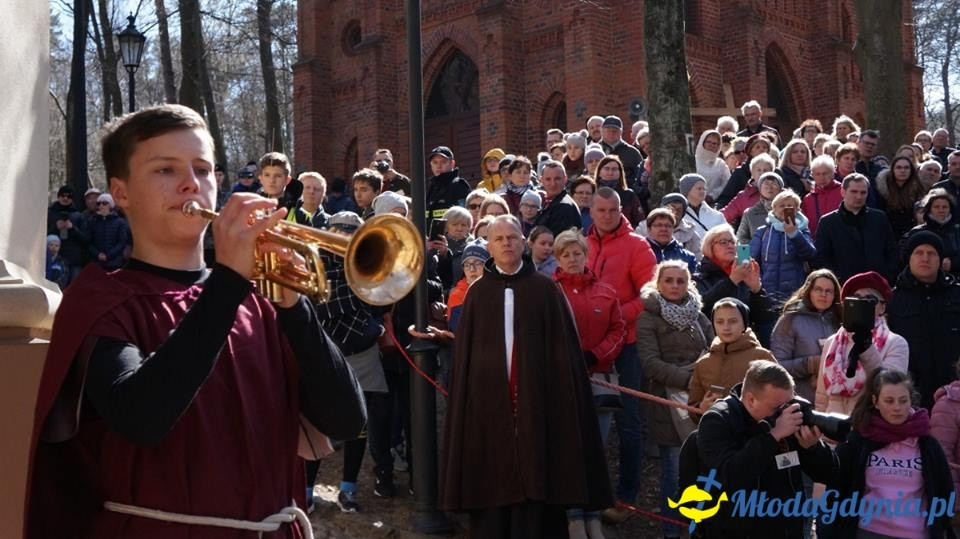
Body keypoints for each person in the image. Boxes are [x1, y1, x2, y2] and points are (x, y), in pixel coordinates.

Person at [27, 104, 365, 538]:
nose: (192, 184)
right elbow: (141, 417)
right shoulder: (99, 297)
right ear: (121, 192)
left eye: (204, 170)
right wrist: (227, 281)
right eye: (166, 170)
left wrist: (294, 308)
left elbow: (346, 420)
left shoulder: (261, 299)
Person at [439, 215, 613, 538]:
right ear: (489, 246)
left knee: (539, 495)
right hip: (490, 408)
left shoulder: (545, 291)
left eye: (513, 237)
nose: (506, 243)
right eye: (499, 238)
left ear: (524, 243)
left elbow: (566, 360)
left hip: (537, 406)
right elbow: (466, 360)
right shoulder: (477, 294)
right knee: (492, 490)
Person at [694, 360, 835, 538]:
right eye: (777, 408)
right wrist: (773, 436)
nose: (784, 412)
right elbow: (729, 476)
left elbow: (829, 474)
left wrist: (813, 449)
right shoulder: (719, 420)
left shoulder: (785, 418)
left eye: (788, 404)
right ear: (751, 399)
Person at [586, 187, 657, 523]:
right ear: (591, 210)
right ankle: (587, 494)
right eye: (600, 211)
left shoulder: (636, 245)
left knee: (628, 421)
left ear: (620, 210)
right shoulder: (581, 243)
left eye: (612, 210)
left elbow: (649, 294)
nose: (606, 216)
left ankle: (627, 497)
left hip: (626, 344)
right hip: (587, 346)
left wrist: (614, 315)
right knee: (588, 419)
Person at [819, 369, 955, 539]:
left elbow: (945, 490)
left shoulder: (927, 444)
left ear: (911, 401)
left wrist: (940, 525)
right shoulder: (858, 440)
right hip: (866, 531)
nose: (897, 408)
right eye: (889, 401)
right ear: (875, 401)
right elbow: (837, 487)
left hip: (916, 534)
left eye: (903, 401)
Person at [554, 229, 625, 539]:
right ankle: (572, 516)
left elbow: (618, 331)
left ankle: (593, 514)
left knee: (597, 449)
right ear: (557, 258)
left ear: (586, 255)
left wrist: (594, 355)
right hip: (562, 382)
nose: (572, 258)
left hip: (599, 379)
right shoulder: (549, 292)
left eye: (577, 253)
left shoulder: (606, 292)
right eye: (566, 254)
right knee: (569, 449)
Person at [636, 260, 713, 539]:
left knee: (704, 466)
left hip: (703, 399)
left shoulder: (698, 314)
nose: (675, 286)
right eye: (669, 280)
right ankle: (671, 529)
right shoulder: (648, 317)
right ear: (658, 283)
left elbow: (715, 348)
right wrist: (690, 380)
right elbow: (650, 362)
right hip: (668, 401)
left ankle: (699, 527)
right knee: (674, 468)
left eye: (681, 280)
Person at [816, 271, 909, 415]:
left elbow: (890, 386)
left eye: (870, 300)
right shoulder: (832, 343)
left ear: (882, 308)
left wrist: (867, 347)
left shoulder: (896, 343)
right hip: (833, 429)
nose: (862, 303)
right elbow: (822, 396)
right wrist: (821, 426)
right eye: (856, 298)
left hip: (869, 427)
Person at [887, 231, 960, 409]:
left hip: (953, 392)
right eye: (919, 253)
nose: (925, 258)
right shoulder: (892, 299)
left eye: (931, 253)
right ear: (909, 258)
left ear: (940, 260)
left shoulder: (956, 294)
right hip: (909, 395)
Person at [694, 224, 776, 343]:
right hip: (713, 343)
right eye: (723, 242)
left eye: (733, 242)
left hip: (746, 343)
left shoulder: (744, 275)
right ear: (709, 247)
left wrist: (757, 290)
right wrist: (731, 281)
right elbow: (702, 308)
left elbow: (765, 319)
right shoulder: (700, 277)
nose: (730, 246)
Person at [770, 269, 842, 403]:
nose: (823, 295)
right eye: (818, 289)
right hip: (800, 400)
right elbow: (776, 365)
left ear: (835, 295)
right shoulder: (790, 319)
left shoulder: (840, 321)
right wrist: (809, 364)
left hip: (834, 401)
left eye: (829, 291)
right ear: (809, 291)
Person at [814, 173, 899, 283]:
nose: (859, 196)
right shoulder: (827, 222)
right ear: (843, 192)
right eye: (854, 192)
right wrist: (837, 281)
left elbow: (892, 251)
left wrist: (886, 277)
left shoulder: (879, 218)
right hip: (843, 286)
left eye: (863, 192)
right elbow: (822, 258)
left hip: (877, 285)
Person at [749, 189, 817, 306]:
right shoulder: (763, 231)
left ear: (797, 210)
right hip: (767, 292)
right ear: (774, 209)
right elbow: (751, 259)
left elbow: (810, 254)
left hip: (793, 294)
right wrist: (760, 283)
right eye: (781, 205)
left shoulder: (802, 230)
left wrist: (794, 234)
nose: (785, 208)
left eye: (790, 205)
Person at [906, 188, 960, 277]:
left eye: (945, 207)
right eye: (936, 207)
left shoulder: (957, 231)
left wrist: (953, 263)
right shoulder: (917, 232)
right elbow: (906, 256)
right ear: (929, 209)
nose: (941, 210)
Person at [875, 156, 927, 238]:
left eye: (906, 168)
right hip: (888, 233)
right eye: (899, 167)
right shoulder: (882, 190)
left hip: (911, 234)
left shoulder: (918, 190)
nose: (903, 171)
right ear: (893, 170)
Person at [533, 160, 582, 236]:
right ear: (541, 180)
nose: (553, 184)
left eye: (557, 179)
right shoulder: (548, 203)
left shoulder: (564, 207)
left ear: (565, 179)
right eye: (548, 179)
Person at [593, 155, 644, 227]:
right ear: (599, 172)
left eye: (614, 169)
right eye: (607, 169)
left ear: (620, 173)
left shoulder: (629, 195)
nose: (610, 172)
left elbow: (640, 222)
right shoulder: (591, 193)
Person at [426, 145, 470, 227]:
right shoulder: (431, 187)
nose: (438, 166)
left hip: (451, 237)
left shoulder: (459, 185)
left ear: (452, 164)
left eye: (443, 162)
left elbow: (464, 216)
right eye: (435, 162)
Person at [643, 208, 697, 274]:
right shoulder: (640, 254)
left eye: (668, 226)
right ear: (649, 229)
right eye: (659, 225)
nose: (664, 229)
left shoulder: (688, 258)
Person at [801, 154, 843, 239]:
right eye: (817, 174)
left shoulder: (843, 191)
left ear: (833, 173)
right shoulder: (808, 199)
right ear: (812, 175)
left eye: (825, 173)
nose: (821, 178)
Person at [736, 171, 784, 243]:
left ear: (781, 189)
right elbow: (740, 239)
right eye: (766, 184)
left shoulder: (790, 210)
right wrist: (759, 245)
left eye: (774, 184)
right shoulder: (750, 213)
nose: (770, 187)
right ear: (760, 189)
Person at [678, 173, 725, 246]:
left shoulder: (717, 216)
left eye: (704, 189)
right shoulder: (678, 216)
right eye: (699, 188)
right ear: (687, 190)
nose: (703, 191)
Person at [87, 193, 130, 271]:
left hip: (115, 263)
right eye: (99, 203)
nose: (101, 206)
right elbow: (89, 242)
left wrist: (108, 255)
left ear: (110, 205)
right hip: (97, 263)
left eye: (104, 203)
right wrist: (97, 254)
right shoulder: (92, 221)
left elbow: (122, 242)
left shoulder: (120, 222)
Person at [695, 130, 731, 201]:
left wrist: (712, 196)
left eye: (715, 143)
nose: (711, 145)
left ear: (718, 146)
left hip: (713, 203)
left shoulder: (721, 164)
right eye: (708, 142)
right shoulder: (693, 161)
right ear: (703, 142)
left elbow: (727, 182)